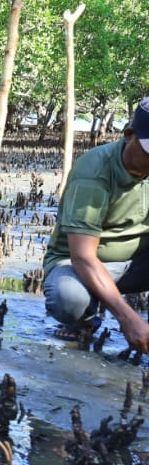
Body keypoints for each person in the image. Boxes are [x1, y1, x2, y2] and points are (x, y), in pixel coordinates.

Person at [43, 97, 149, 345]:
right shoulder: (95, 171)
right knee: (69, 299)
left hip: (139, 263)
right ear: (129, 135)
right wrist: (128, 318)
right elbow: (83, 257)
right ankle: (84, 322)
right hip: (79, 266)